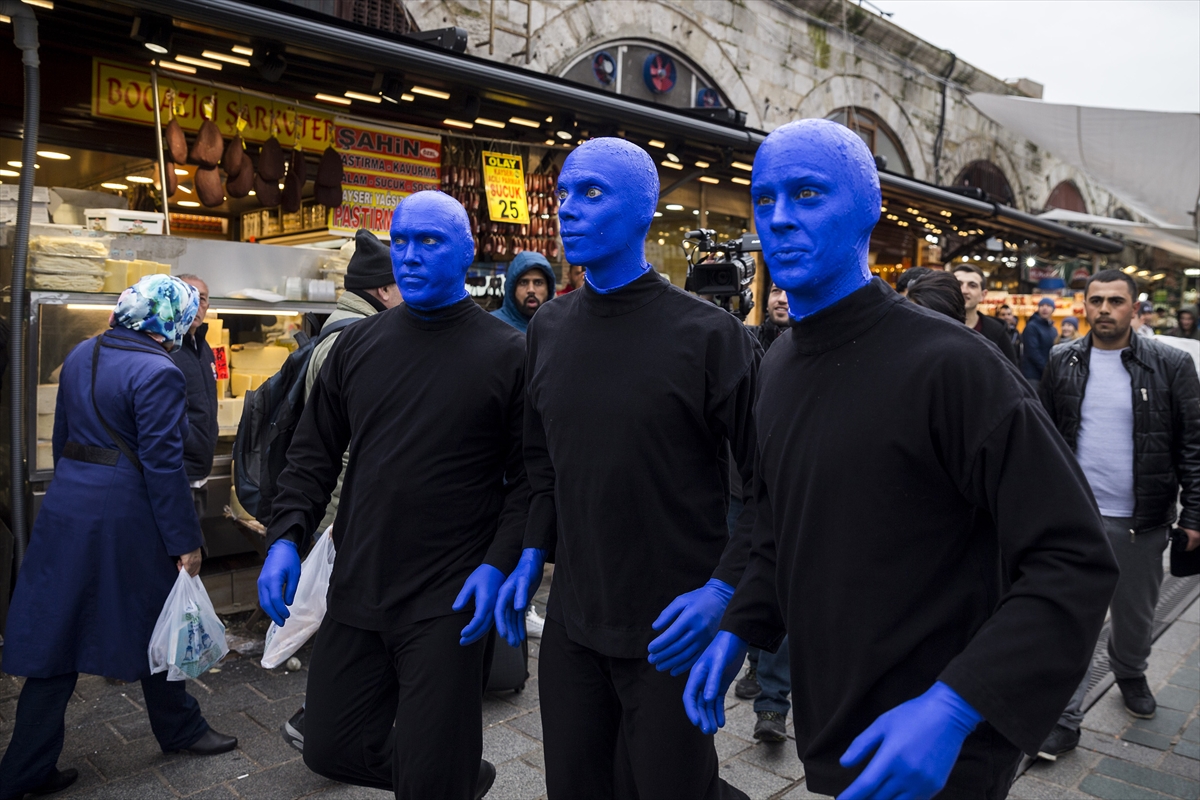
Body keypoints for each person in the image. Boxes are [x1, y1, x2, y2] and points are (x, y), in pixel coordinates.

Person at [683, 119, 1119, 800]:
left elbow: (1074, 557)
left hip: (944, 749)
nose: (780, 219)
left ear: (869, 204)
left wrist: (956, 707)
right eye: (764, 200)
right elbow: (778, 525)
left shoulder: (952, 366)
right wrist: (737, 624)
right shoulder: (780, 365)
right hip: (835, 726)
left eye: (806, 194)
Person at [492, 137, 758, 800]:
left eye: (592, 193)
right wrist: (530, 551)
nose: (568, 210)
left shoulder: (711, 336)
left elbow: (771, 484)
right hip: (574, 622)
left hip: (673, 623)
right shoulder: (548, 328)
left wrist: (724, 594)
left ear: (644, 209)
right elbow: (541, 460)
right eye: (562, 195)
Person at [257, 192, 527, 800]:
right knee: (329, 744)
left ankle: (442, 778)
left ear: (466, 252)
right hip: (358, 585)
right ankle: (453, 778)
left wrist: (500, 563)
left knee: (432, 772)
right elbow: (312, 455)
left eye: (428, 242)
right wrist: (284, 538)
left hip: (448, 596)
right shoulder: (358, 347)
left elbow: (532, 480)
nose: (409, 255)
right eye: (401, 241)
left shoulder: (509, 354)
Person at [0, 276, 237, 800]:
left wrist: (73, 490)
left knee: (57, 633)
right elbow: (162, 466)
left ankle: (23, 769)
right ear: (169, 320)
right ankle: (181, 730)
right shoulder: (160, 370)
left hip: (68, 503)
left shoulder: (83, 353)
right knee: (158, 613)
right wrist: (186, 541)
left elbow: (63, 437)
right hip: (125, 512)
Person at [1037, 269, 1200, 760]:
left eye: (1115, 301)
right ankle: (1066, 718)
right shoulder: (1061, 360)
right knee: (1075, 620)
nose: (1104, 309)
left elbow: (1193, 445)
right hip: (1077, 517)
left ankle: (1129, 671)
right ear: (1083, 306)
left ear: (1135, 309)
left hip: (1141, 520)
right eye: (1096, 300)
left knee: (1134, 617)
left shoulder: (1170, 364)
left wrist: (1194, 512)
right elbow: (1043, 439)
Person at [280, 227, 403, 752]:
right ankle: (318, 720)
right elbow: (337, 445)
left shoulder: (346, 331)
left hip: (346, 507)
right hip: (343, 508)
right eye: (400, 283)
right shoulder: (350, 342)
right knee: (341, 619)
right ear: (381, 290)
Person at [734, 281, 792, 743]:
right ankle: (755, 661)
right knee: (747, 584)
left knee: (777, 585)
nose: (780, 299)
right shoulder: (744, 339)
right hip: (743, 489)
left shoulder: (809, 348)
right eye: (773, 290)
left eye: (788, 292)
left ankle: (772, 705)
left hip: (787, 493)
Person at [170, 274, 218, 520]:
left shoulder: (204, 347)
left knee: (196, 546)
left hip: (201, 467)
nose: (197, 306)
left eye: (203, 299)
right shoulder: (167, 348)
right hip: (177, 471)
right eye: (190, 297)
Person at [953, 265, 1017, 364]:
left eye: (972, 285)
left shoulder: (997, 332)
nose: (964, 290)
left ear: (983, 295)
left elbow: (1011, 373)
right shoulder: (937, 326)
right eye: (958, 284)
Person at [491, 250, 556, 333]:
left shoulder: (559, 327)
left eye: (538, 283)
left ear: (549, 289)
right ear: (511, 289)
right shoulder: (492, 325)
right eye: (523, 283)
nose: (531, 290)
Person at [1020, 297, 1058, 390]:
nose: (1044, 308)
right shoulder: (1032, 326)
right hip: (1032, 375)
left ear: (1053, 309)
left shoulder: (1053, 329)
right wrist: (1046, 369)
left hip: (1046, 374)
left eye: (1048, 306)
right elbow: (1032, 351)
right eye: (1042, 305)